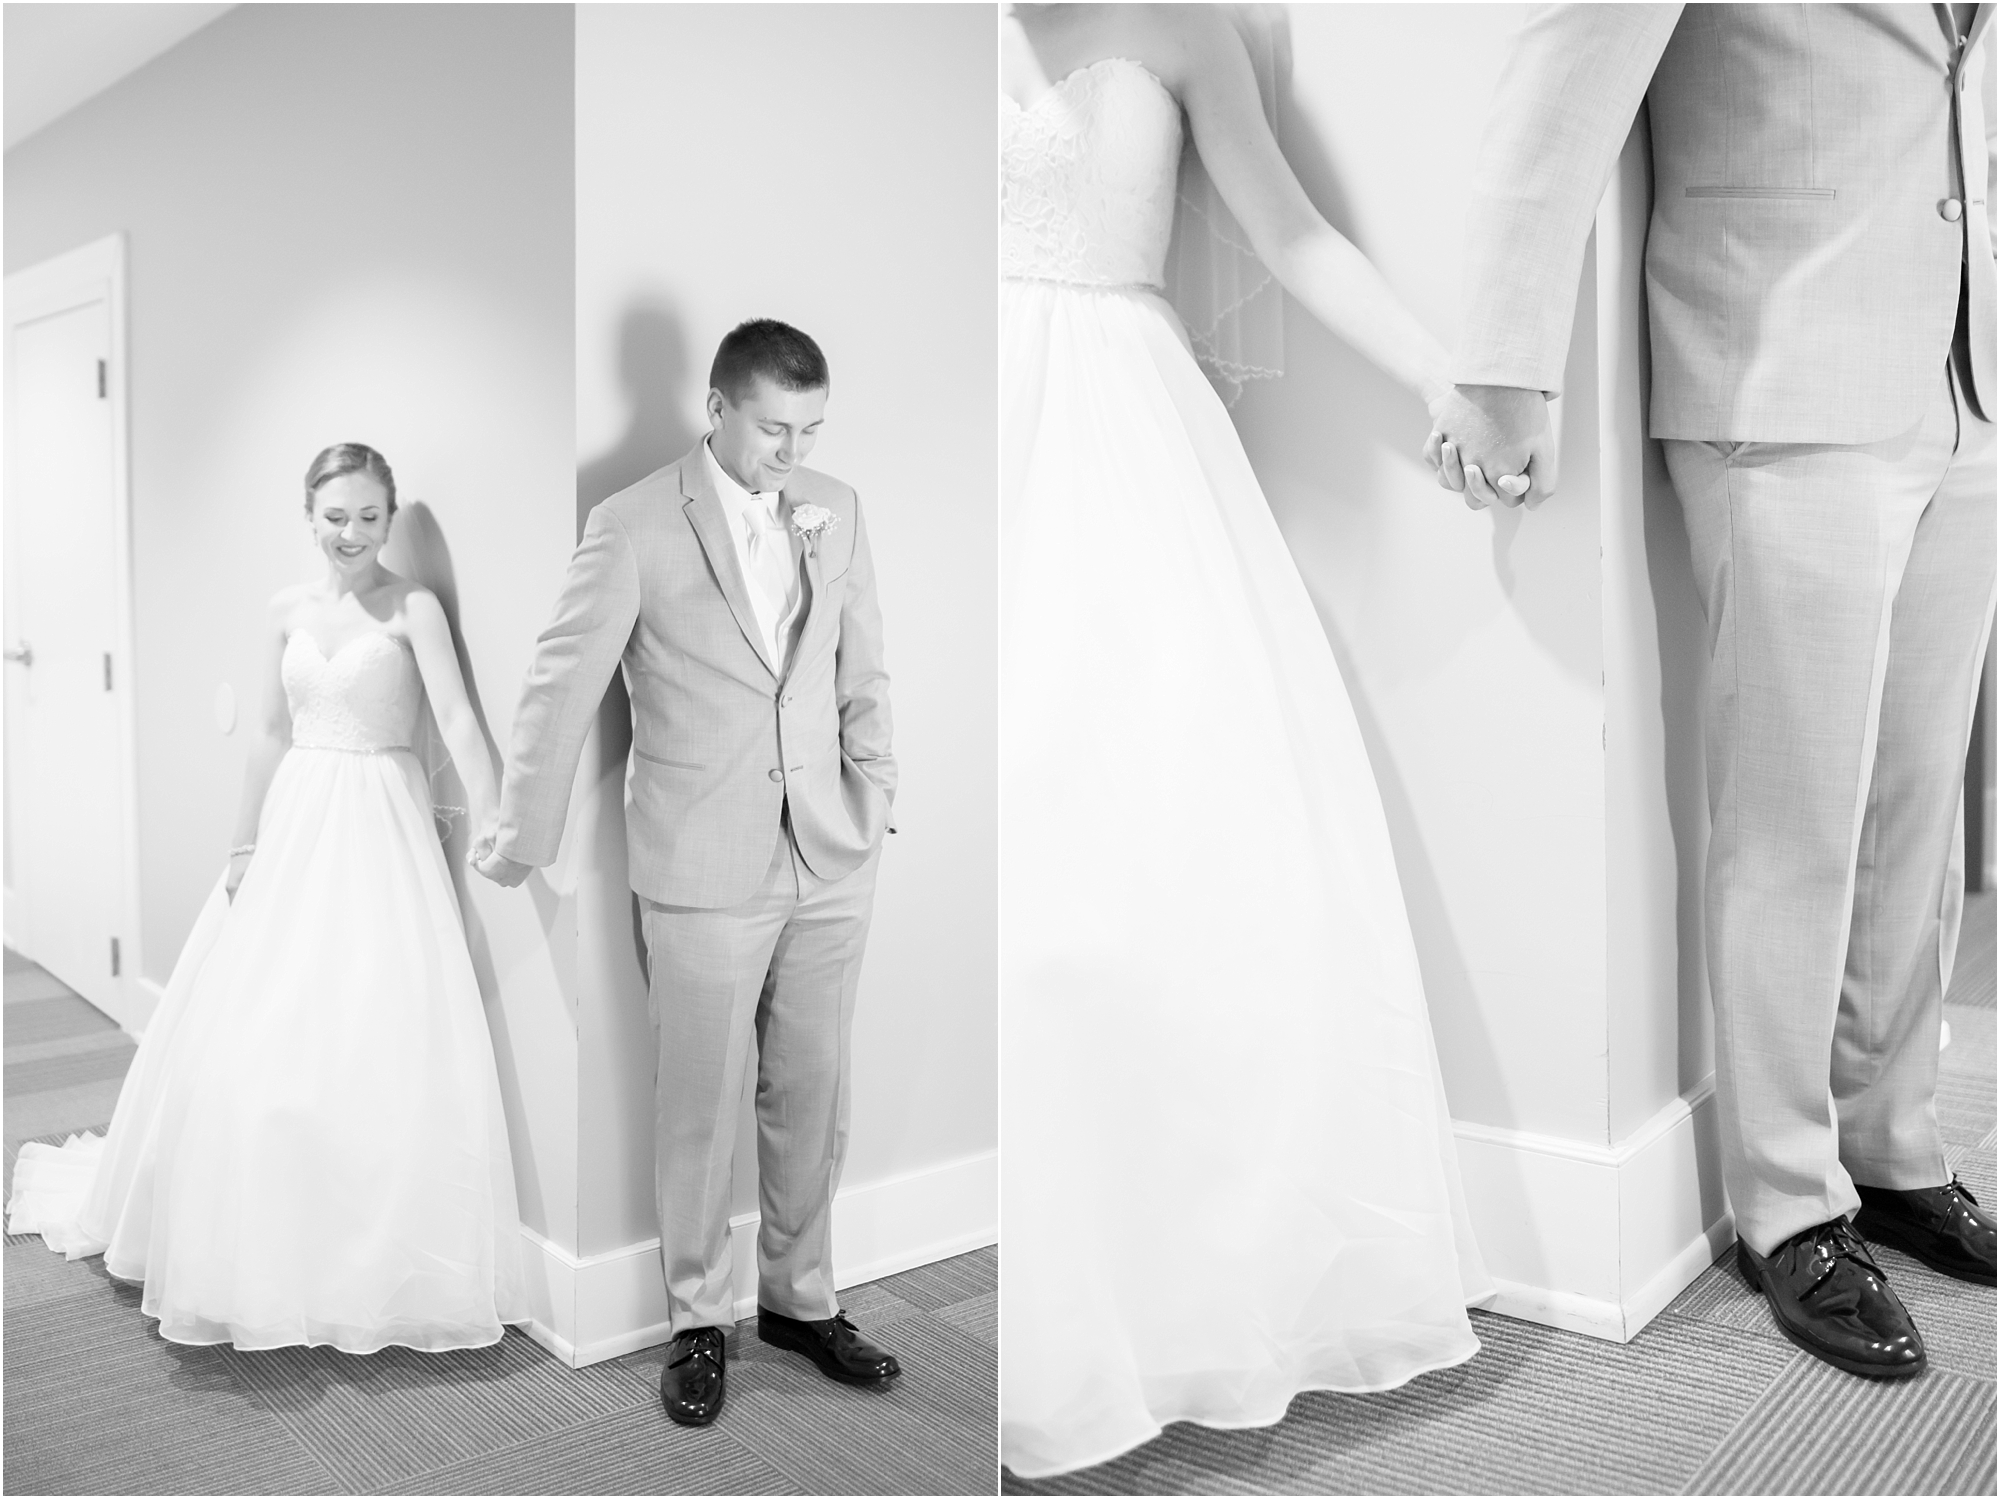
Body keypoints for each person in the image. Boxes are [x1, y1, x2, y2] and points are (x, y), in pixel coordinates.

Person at [1429, 3, 1997, 1380]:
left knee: (1917, 808)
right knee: (1795, 817)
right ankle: (1788, 1199)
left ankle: (1893, 1137)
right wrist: (1503, 367)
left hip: (1963, 384)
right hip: (1780, 365)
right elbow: (1557, 80)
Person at [1000, 3, 1491, 1478]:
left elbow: (1292, 235)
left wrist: (1441, 373)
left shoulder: (1185, 28)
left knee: (1156, 851)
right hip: (956, 420)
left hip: (1117, 446)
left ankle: (1174, 1291)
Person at [6, 443, 529, 1353]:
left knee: (369, 1024)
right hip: (294, 817)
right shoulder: (285, 609)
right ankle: (248, 1229)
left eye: (370, 517)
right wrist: (242, 846)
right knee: (259, 1018)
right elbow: (268, 732)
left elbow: (454, 717)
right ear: (309, 515)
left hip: (380, 819)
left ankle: (361, 1253)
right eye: (335, 516)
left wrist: (491, 812)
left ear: (389, 518)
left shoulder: (414, 607)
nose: (352, 534)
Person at [473, 319, 902, 1427]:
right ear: (714, 408)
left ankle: (802, 1301)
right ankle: (698, 1318)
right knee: (699, 1105)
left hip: (828, 850)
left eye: (809, 430)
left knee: (813, 1092)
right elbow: (559, 685)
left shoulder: (838, 508)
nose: (790, 452)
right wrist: (522, 832)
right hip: (699, 861)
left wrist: (876, 791)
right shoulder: (627, 524)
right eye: (772, 428)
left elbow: (864, 662)